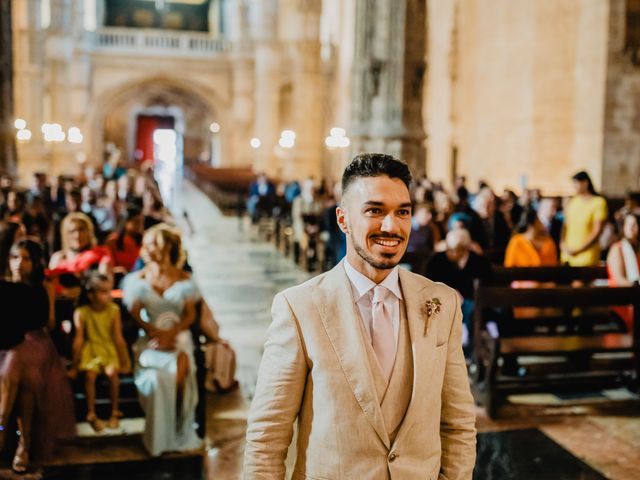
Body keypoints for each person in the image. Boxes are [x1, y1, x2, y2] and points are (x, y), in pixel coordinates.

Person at [244, 154, 476, 479]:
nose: (391, 226)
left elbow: (458, 422)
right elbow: (267, 437)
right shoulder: (299, 308)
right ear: (343, 220)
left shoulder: (441, 303)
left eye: (403, 212)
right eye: (374, 210)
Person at [122, 223, 201, 456]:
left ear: (168, 246)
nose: (148, 248)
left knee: (180, 366)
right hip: (149, 338)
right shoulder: (138, 279)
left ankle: (176, 427)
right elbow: (135, 313)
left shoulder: (184, 277)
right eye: (147, 243)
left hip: (178, 335)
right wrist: (154, 331)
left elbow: (190, 315)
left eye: (154, 242)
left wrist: (172, 333)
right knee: (157, 378)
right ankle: (159, 437)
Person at [0, 240, 75, 472]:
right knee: (10, 398)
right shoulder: (3, 286)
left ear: (35, 261)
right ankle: (15, 441)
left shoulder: (43, 287)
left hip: (34, 345)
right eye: (15, 258)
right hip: (8, 346)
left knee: (26, 393)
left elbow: (48, 322)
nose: (19, 263)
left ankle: (17, 441)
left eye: (25, 258)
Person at [70, 272, 130, 432]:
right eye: (103, 292)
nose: (108, 295)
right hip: (91, 350)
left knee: (112, 374)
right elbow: (79, 340)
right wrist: (74, 366)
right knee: (90, 376)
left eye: (109, 291)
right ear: (91, 295)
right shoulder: (82, 312)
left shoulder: (113, 310)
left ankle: (115, 412)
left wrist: (124, 361)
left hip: (108, 349)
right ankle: (91, 413)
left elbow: (118, 338)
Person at [48, 212, 113, 287]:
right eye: (72, 231)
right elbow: (50, 283)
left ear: (89, 232)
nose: (77, 235)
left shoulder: (101, 253)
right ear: (65, 235)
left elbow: (105, 282)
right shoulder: (58, 257)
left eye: (81, 230)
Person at [561, 171, 608, 266]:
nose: (574, 187)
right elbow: (566, 225)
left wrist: (579, 250)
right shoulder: (573, 202)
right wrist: (562, 244)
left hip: (586, 256)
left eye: (576, 184)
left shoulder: (598, 202)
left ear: (585, 183)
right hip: (568, 255)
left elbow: (597, 231)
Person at [606, 213, 640, 331]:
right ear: (623, 227)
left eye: (635, 224)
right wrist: (636, 286)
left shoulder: (637, 250)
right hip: (621, 298)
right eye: (628, 224)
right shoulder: (618, 248)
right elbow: (619, 279)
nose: (631, 228)